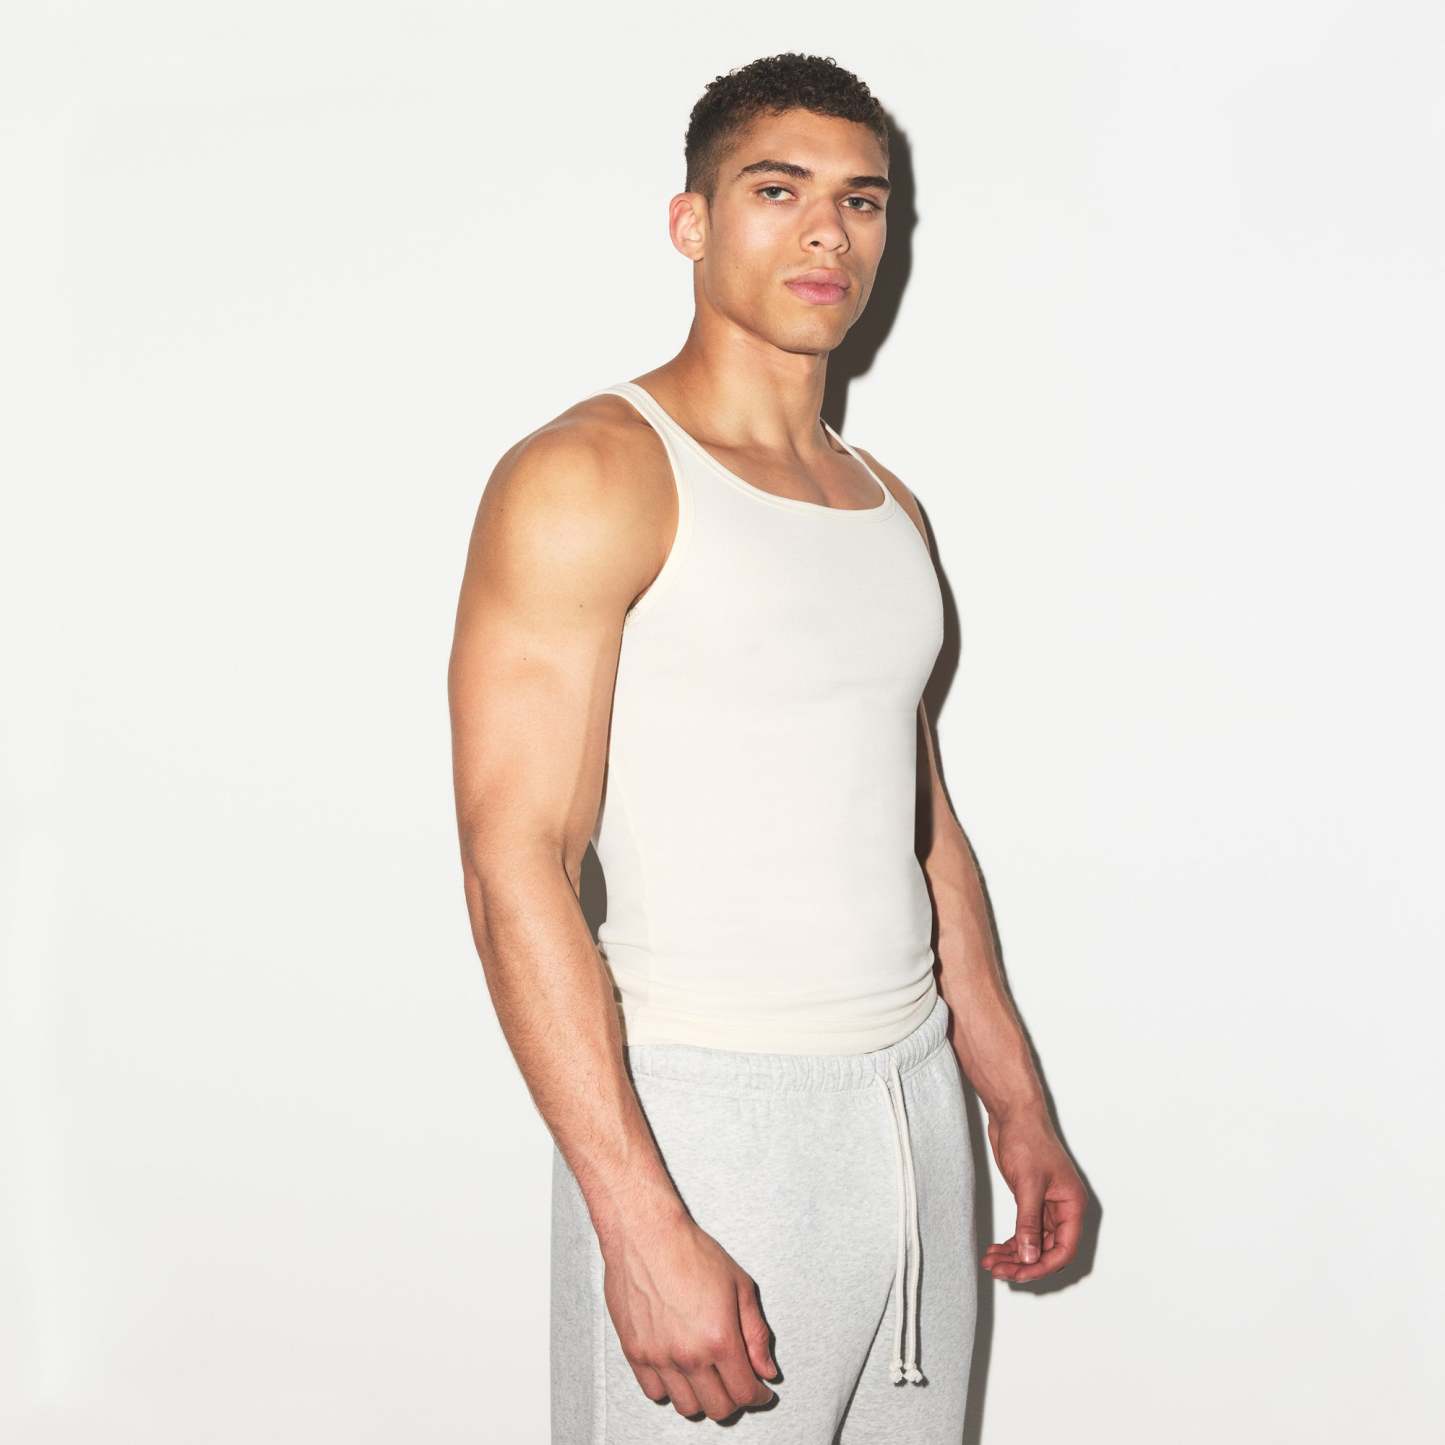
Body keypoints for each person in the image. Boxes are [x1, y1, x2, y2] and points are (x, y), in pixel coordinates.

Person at [447, 51, 1087, 1441]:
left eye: (862, 200)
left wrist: (1013, 1101)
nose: (827, 232)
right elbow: (515, 865)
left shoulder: (885, 503)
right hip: (707, 1119)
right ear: (691, 221)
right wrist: (638, 1219)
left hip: (914, 1108)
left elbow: (920, 827)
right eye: (778, 190)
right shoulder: (590, 473)